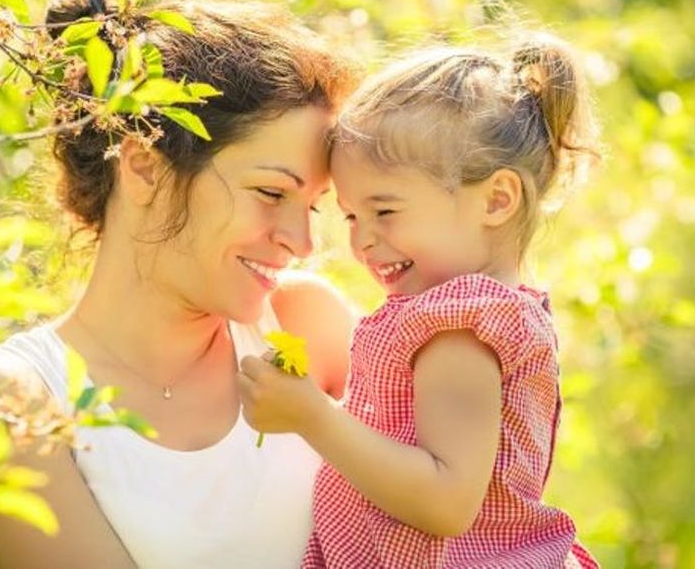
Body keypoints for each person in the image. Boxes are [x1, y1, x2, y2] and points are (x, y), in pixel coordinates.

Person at [0, 0, 360, 568]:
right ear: (143, 166)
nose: (303, 242)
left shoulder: (306, 324)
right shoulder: (13, 400)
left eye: (312, 206)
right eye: (271, 193)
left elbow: (473, 509)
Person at [238, 35, 602, 567]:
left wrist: (313, 417)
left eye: (385, 212)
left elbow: (445, 502)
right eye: (351, 216)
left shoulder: (462, 326)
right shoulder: (459, 312)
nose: (361, 241)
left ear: (497, 200)